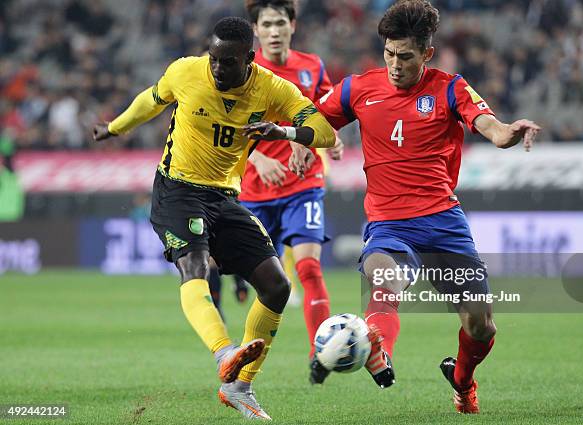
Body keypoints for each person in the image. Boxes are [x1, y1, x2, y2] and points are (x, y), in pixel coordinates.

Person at [93, 16, 335, 420]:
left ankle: (240, 387)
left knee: (277, 287)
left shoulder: (272, 89)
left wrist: (286, 133)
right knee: (196, 266)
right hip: (176, 189)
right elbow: (150, 101)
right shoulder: (187, 71)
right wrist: (115, 128)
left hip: (224, 198)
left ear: (250, 59)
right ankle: (225, 352)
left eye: (228, 61)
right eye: (214, 57)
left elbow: (323, 131)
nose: (218, 68)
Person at [315, 0, 540, 414]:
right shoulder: (357, 88)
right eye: (388, 54)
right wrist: (305, 140)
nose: (395, 65)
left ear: (427, 54)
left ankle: (463, 380)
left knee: (481, 325)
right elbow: (314, 121)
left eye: (405, 57)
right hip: (388, 224)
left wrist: (510, 131)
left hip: (443, 223)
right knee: (384, 280)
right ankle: (377, 348)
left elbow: (490, 127)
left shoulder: (450, 87)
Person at [240, 0, 344, 384]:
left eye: (280, 22)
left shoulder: (311, 66)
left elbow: (327, 110)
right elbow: (225, 129)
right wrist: (257, 161)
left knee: (309, 267)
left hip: (304, 184)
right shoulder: (245, 72)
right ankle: (244, 367)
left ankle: (320, 351)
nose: (274, 30)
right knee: (265, 282)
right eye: (266, 24)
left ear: (292, 25)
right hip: (255, 188)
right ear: (256, 29)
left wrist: (329, 141)